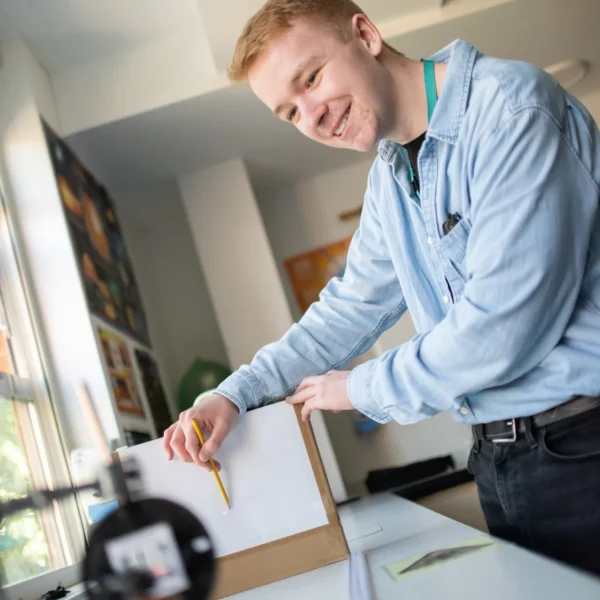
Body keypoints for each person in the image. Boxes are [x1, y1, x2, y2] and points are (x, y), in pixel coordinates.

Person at [163, 0, 600, 575]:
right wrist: (232, 394)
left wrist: (360, 387)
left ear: (365, 34)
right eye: (290, 111)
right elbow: (345, 312)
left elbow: (501, 328)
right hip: (499, 460)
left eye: (311, 79)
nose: (312, 118)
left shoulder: (511, 110)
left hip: (581, 448)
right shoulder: (390, 183)